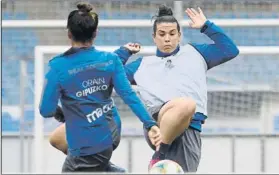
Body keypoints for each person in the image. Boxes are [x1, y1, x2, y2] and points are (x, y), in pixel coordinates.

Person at [48, 4, 240, 173]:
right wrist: (123, 53)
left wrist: (207, 26)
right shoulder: (141, 65)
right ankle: (157, 153)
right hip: (157, 125)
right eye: (162, 34)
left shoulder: (197, 53)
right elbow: (105, 75)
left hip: (188, 129)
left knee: (186, 108)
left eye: (172, 34)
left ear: (179, 35)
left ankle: (112, 165)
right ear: (154, 37)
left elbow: (230, 50)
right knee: (58, 138)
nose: (167, 39)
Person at [39, 2, 160, 173]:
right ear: (95, 33)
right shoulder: (110, 59)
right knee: (57, 139)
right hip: (111, 130)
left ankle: (105, 168)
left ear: (69, 33)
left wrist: (64, 115)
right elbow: (128, 95)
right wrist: (151, 124)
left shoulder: (58, 67)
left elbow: (45, 110)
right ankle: (108, 169)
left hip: (90, 143)